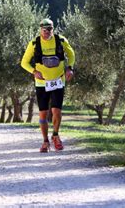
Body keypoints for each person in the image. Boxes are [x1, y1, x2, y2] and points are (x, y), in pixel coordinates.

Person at [20, 18, 75, 153]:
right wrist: (34, 71)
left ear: (53, 29)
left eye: (49, 29)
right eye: (44, 30)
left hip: (58, 80)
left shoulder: (61, 40)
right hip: (42, 83)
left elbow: (71, 54)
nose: (47, 32)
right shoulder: (34, 43)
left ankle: (55, 136)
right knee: (43, 113)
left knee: (57, 111)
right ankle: (45, 141)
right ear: (40, 30)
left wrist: (70, 68)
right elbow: (24, 62)